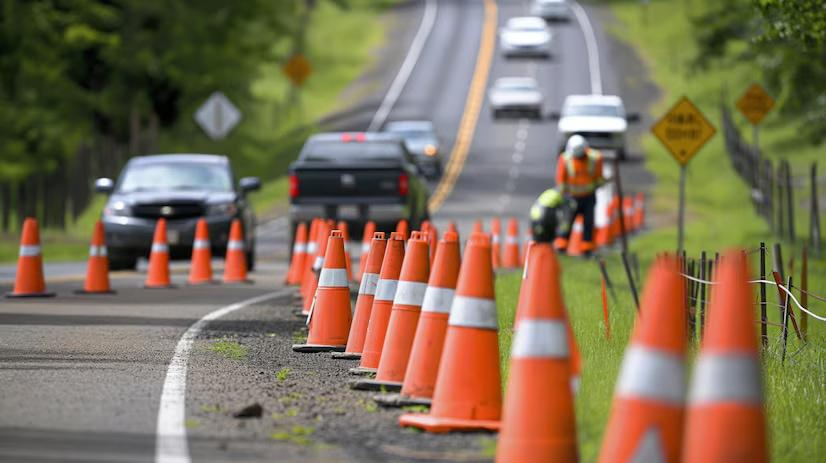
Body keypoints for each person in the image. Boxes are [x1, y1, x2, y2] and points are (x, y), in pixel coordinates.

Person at [554, 134, 605, 256]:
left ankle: (586, 248)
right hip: (572, 197)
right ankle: (562, 246)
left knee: (587, 223)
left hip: (587, 197)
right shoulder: (566, 159)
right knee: (567, 222)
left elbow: (598, 177)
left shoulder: (595, 158)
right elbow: (561, 180)